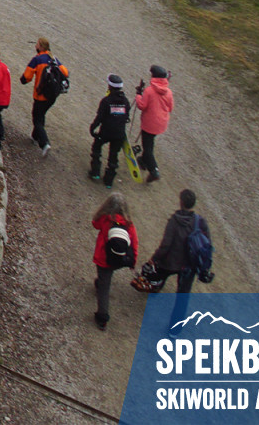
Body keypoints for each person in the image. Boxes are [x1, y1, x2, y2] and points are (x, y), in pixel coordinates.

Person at [141, 189, 208, 293]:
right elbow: (207, 244)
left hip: (170, 262)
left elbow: (165, 245)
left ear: (181, 202)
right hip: (189, 264)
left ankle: (156, 288)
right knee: (183, 295)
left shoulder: (174, 221)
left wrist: (154, 258)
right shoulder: (200, 222)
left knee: (158, 277)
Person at [91, 192, 138, 330]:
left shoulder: (105, 219)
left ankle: (102, 317)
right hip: (119, 259)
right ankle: (100, 282)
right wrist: (133, 261)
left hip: (103, 258)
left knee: (104, 288)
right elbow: (134, 243)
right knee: (106, 276)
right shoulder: (129, 225)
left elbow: (95, 224)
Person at [20, 38, 70, 155]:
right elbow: (65, 72)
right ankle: (34, 136)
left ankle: (44, 143)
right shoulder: (54, 59)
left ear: (41, 47)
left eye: (37, 44)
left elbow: (26, 77)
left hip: (40, 95)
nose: (35, 46)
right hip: (52, 95)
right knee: (41, 114)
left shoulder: (37, 60)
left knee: (37, 118)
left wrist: (23, 79)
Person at [89, 74, 132, 185]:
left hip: (106, 132)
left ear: (110, 86)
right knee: (114, 155)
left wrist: (93, 127)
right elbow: (126, 116)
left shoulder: (106, 101)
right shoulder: (125, 101)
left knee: (97, 147)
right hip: (119, 134)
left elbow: (99, 117)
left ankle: (95, 172)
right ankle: (109, 180)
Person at [134, 65, 173, 183]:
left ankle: (154, 170)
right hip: (161, 123)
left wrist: (138, 95)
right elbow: (170, 107)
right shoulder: (168, 92)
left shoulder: (149, 91)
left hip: (149, 123)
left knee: (147, 146)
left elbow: (142, 105)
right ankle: (143, 160)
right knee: (150, 141)